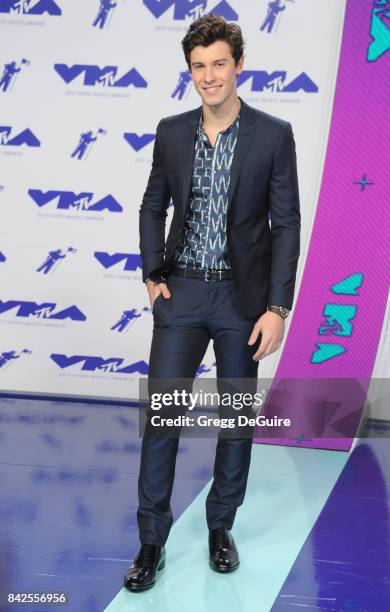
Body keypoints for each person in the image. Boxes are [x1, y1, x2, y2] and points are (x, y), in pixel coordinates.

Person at [124, 14, 300, 592]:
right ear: (190, 72)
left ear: (238, 64)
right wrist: (153, 275)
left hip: (242, 300)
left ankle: (220, 527)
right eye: (198, 66)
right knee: (163, 418)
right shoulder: (171, 131)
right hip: (183, 292)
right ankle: (152, 541)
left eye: (218, 63)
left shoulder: (273, 134)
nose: (209, 75)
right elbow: (152, 206)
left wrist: (278, 306)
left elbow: (286, 223)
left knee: (235, 421)